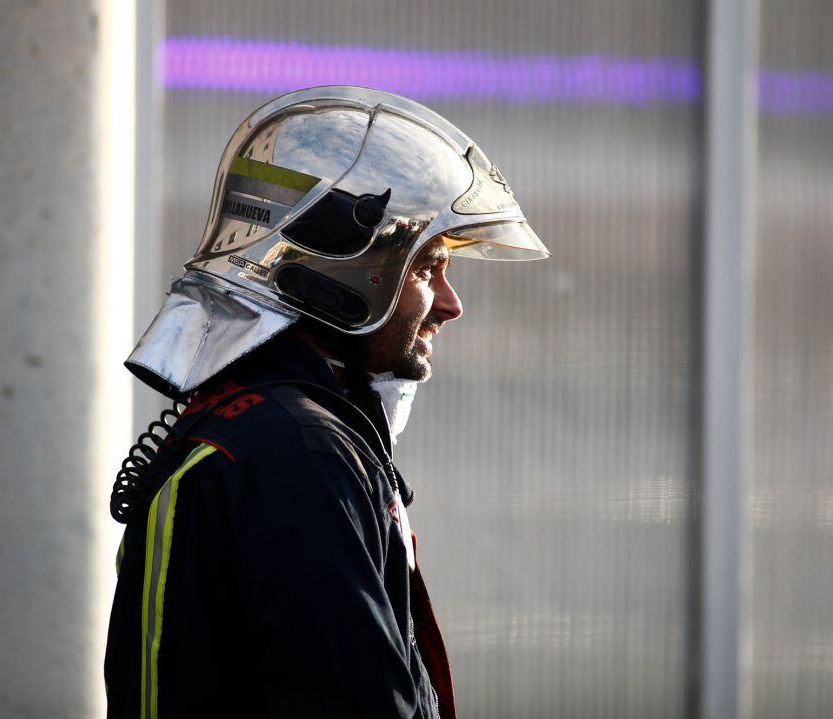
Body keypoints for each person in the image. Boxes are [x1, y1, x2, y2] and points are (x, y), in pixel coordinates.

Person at [105, 86, 550, 718]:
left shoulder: (250, 428)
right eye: (427, 269)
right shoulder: (296, 450)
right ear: (342, 279)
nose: (451, 305)